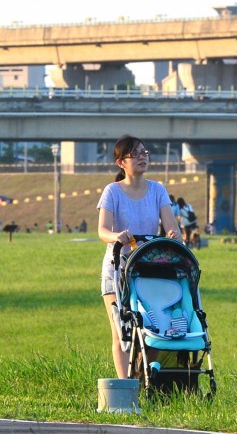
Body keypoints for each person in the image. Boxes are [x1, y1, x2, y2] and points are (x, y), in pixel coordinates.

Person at [97, 135, 182, 378]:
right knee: (121, 330)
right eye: (135, 154)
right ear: (120, 162)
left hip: (148, 268)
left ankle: (146, 378)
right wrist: (116, 236)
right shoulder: (112, 191)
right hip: (117, 267)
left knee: (152, 327)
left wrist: (174, 235)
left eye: (144, 153)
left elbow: (171, 228)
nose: (142, 158)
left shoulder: (157, 190)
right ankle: (125, 386)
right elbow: (102, 230)